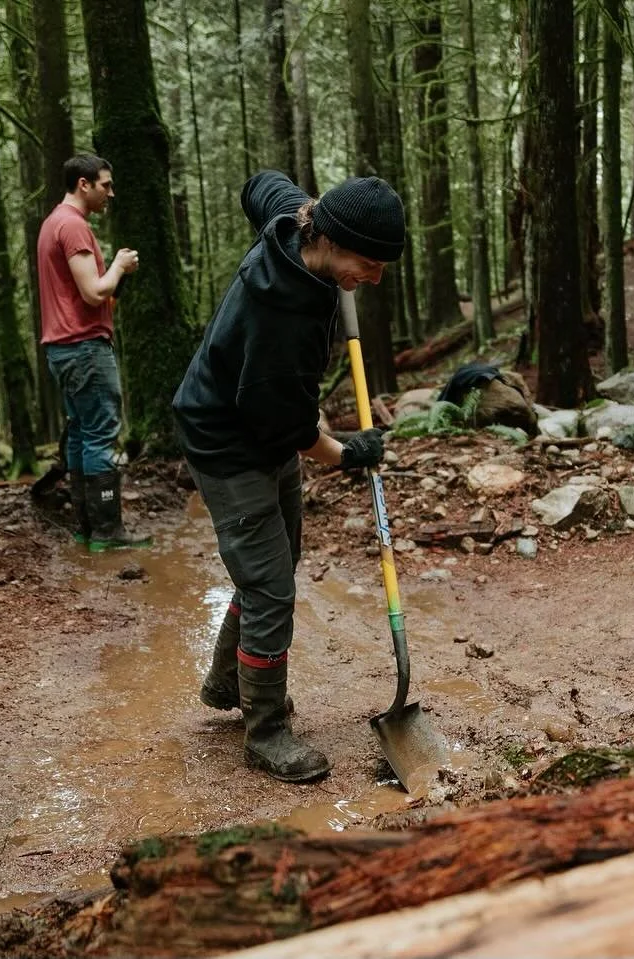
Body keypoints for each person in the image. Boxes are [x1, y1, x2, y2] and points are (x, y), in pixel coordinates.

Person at [173, 170, 403, 783]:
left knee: (278, 561)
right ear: (327, 239)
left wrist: (309, 204)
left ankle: (228, 681)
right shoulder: (282, 317)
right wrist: (350, 453)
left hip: (258, 418)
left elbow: (259, 184)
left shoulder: (296, 218)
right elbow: (293, 433)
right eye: (368, 263)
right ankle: (266, 730)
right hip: (227, 439)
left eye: (383, 266)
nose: (374, 279)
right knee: (271, 586)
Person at [38, 154, 149, 552]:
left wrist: (114, 281)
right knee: (100, 433)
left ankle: (88, 527)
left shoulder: (54, 222)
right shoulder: (72, 226)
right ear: (83, 184)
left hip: (64, 347)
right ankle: (108, 531)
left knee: (83, 435)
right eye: (105, 185)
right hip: (84, 347)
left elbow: (92, 296)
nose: (111, 193)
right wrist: (118, 266)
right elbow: (93, 291)